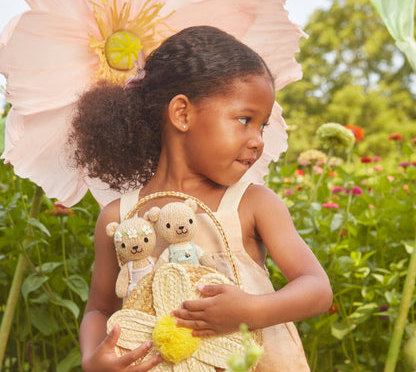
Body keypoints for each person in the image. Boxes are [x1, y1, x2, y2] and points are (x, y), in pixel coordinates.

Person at [71, 26, 333, 372]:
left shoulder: (252, 205)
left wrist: (252, 310)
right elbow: (99, 309)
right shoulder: (120, 218)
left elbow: (316, 288)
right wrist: (93, 357)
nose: (257, 140)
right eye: (245, 120)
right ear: (182, 114)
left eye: (262, 126)